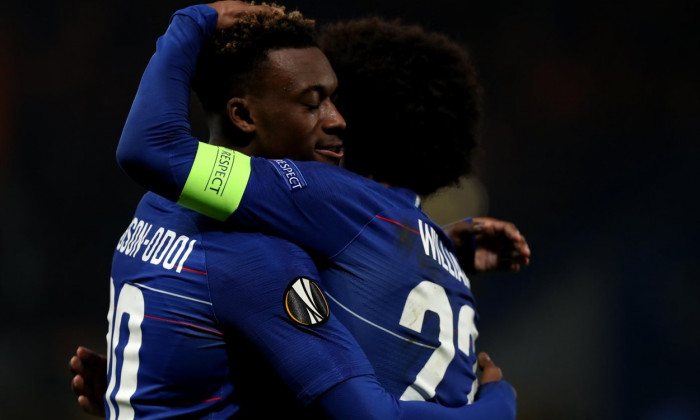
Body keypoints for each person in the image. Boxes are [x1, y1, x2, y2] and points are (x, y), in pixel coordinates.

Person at [73, 1, 526, 418]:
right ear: (243, 114)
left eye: (333, 101)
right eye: (313, 104)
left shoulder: (153, 208)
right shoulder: (269, 258)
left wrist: (148, 388)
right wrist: (500, 405)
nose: (335, 120)